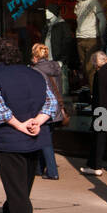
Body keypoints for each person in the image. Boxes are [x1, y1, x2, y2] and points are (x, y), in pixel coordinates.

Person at [0, 35, 60, 213]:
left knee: (17, 192)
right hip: (34, 139)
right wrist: (38, 121)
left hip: (9, 141)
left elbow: (0, 110)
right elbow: (51, 103)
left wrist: (20, 125)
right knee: (21, 189)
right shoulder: (35, 75)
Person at [30, 43, 65, 180]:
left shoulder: (36, 70)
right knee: (46, 137)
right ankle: (39, 168)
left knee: (45, 141)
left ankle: (52, 171)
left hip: (44, 108)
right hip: (56, 107)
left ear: (35, 56)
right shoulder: (55, 67)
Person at [85, 50, 107, 177]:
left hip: (102, 111)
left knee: (99, 139)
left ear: (97, 62)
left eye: (94, 64)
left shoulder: (100, 74)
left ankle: (96, 166)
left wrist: (97, 114)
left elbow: (98, 96)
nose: (94, 67)